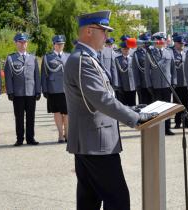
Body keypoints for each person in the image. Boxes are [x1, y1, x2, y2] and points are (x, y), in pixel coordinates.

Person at [64, 10, 157, 209]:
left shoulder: (86, 58)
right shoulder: (82, 60)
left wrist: (133, 109)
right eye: (103, 30)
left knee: (90, 199)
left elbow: (103, 97)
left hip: (92, 141)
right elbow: (102, 100)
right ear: (89, 31)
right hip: (96, 143)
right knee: (118, 199)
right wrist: (136, 118)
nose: (106, 36)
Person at [4, 33, 41, 146]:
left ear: (27, 43)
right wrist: (10, 91)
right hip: (18, 93)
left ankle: (30, 138)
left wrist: (38, 90)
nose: (23, 44)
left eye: (24, 42)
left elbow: (36, 76)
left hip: (30, 92)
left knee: (31, 117)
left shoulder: (32, 58)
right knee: (19, 117)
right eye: (20, 42)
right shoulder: (11, 58)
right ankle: (19, 138)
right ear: (16, 43)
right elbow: (8, 76)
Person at [145, 32, 177, 136]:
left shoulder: (169, 52)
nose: (161, 42)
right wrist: (149, 85)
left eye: (162, 40)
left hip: (167, 85)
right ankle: (158, 129)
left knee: (167, 108)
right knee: (157, 109)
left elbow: (173, 69)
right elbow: (146, 71)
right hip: (156, 85)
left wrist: (174, 82)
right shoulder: (150, 53)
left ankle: (167, 128)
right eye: (159, 41)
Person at [41, 35, 70, 143]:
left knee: (67, 113)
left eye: (61, 44)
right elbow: (44, 75)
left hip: (67, 89)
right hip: (53, 89)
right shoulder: (47, 57)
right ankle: (60, 134)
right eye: (58, 44)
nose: (60, 46)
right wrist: (44, 89)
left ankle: (67, 133)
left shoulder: (68, 56)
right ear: (54, 44)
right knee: (57, 112)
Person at [171, 34, 188, 128]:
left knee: (186, 103)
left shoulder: (187, 52)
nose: (182, 45)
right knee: (177, 104)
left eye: (183, 43)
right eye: (180, 43)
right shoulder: (171, 53)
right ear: (175, 43)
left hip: (186, 82)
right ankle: (178, 122)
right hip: (177, 83)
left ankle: (186, 122)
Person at [114, 41, 139, 106]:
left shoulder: (133, 58)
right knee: (123, 105)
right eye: (124, 49)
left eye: (127, 48)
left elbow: (136, 72)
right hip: (122, 86)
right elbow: (116, 73)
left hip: (132, 86)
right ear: (121, 49)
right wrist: (118, 86)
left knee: (133, 104)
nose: (126, 50)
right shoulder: (117, 59)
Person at [133, 33, 153, 105]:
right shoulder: (137, 54)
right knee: (144, 105)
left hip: (153, 83)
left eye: (147, 41)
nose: (147, 43)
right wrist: (137, 84)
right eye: (145, 42)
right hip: (143, 84)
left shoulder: (153, 51)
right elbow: (135, 71)